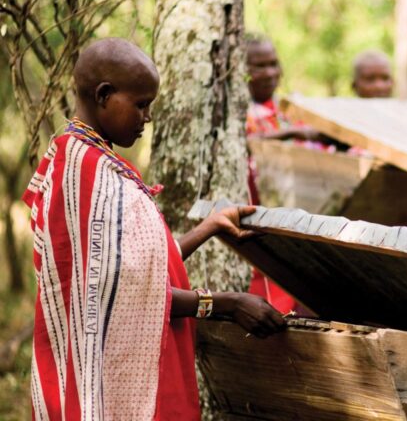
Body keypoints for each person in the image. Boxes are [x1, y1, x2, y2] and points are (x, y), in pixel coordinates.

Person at [22, 37, 285, 420]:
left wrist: (210, 226)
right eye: (141, 105)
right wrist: (227, 303)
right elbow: (126, 297)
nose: (147, 118)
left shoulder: (85, 158)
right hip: (101, 385)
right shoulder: (87, 176)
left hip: (110, 371)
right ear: (104, 95)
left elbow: (138, 274)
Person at [243, 36, 324, 314]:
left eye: (273, 64)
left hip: (298, 229)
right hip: (252, 229)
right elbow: (241, 143)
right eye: (258, 66)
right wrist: (292, 133)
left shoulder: (292, 110)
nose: (269, 72)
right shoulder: (234, 113)